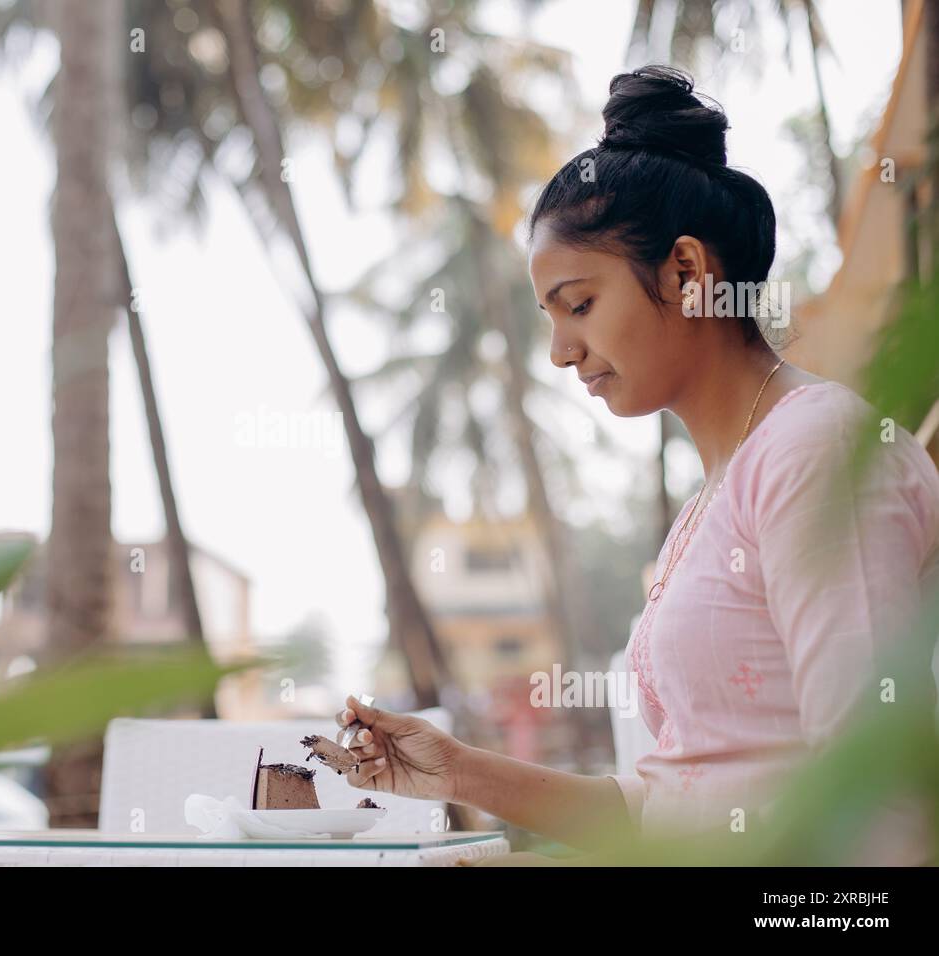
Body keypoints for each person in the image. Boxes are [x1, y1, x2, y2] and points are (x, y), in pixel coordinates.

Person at [332, 66, 939, 865]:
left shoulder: (814, 454)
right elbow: (670, 803)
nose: (560, 352)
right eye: (551, 317)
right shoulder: (711, 504)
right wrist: (459, 771)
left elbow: (881, 808)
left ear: (687, 274)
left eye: (579, 304)